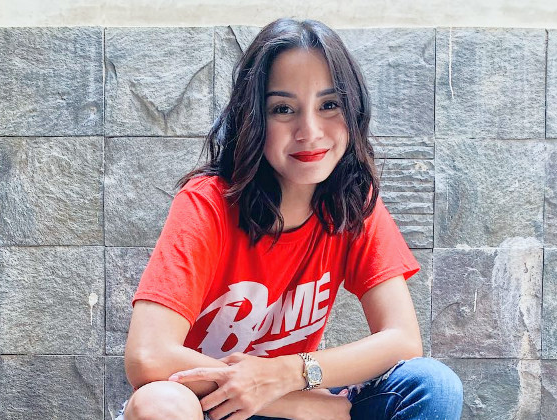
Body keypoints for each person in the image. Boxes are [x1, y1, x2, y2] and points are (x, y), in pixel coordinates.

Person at [117, 18, 463, 420]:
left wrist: (287, 373)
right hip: (209, 405)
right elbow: (148, 355)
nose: (310, 131)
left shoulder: (352, 202)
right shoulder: (208, 202)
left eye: (329, 105)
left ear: (353, 112)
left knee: (431, 385)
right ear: (254, 119)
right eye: (283, 109)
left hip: (292, 392)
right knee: (158, 404)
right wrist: (301, 402)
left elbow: (402, 341)